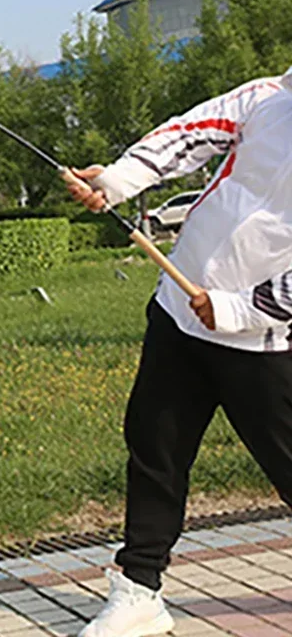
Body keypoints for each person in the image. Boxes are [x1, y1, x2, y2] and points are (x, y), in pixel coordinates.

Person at [64, 67, 292, 637]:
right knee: (154, 449)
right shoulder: (268, 97)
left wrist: (241, 308)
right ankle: (140, 590)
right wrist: (115, 181)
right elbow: (186, 134)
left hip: (262, 341)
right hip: (179, 312)